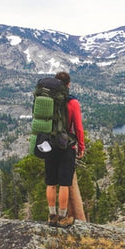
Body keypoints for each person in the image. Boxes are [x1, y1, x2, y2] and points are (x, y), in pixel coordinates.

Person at [46, 71, 85, 227]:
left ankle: (51, 216)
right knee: (64, 183)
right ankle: (62, 217)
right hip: (66, 146)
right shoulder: (73, 102)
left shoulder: (47, 100)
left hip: (48, 145)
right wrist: (81, 146)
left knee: (50, 183)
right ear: (68, 85)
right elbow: (79, 128)